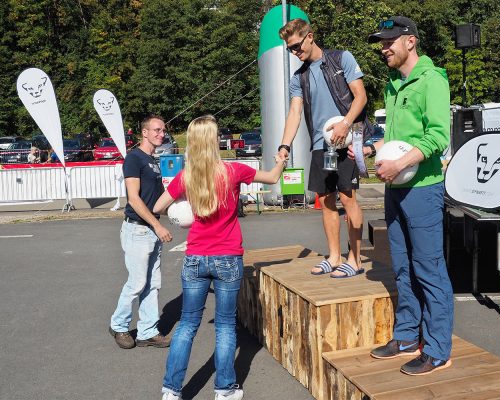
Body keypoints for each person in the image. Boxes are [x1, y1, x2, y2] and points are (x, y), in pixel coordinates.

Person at [155, 116, 286, 400]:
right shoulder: (233, 170)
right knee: (225, 325)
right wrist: (281, 159)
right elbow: (273, 178)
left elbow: (159, 206)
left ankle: (171, 390)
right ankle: (225, 389)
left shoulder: (185, 177)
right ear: (214, 141)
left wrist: (181, 214)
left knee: (187, 324)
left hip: (195, 257)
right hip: (227, 256)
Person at [355, 16, 454, 375]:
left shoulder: (433, 80)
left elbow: (439, 136)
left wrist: (399, 164)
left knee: (429, 270)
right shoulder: (393, 84)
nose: (383, 49)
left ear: (410, 41)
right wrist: (371, 150)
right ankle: (408, 335)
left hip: (423, 190)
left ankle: (439, 348)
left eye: (388, 42)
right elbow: (395, 141)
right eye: (381, 43)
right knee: (402, 267)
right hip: (395, 189)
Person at [277, 18, 369, 278]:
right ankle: (334, 257)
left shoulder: (341, 59)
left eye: (296, 46)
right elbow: (295, 112)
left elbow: (361, 96)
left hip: (348, 139)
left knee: (348, 198)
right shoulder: (299, 77)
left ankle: (355, 258)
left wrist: (346, 123)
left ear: (310, 36)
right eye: (289, 49)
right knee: (326, 201)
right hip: (321, 146)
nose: (295, 52)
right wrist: (285, 145)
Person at [109, 115, 173, 350]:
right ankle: (118, 325)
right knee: (136, 283)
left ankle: (147, 331)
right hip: (138, 230)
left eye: (163, 130)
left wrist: (184, 215)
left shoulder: (153, 161)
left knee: (152, 284)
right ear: (144, 132)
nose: (161, 133)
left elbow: (158, 202)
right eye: (156, 130)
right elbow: (134, 199)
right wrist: (157, 225)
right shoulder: (134, 158)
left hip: (151, 230)